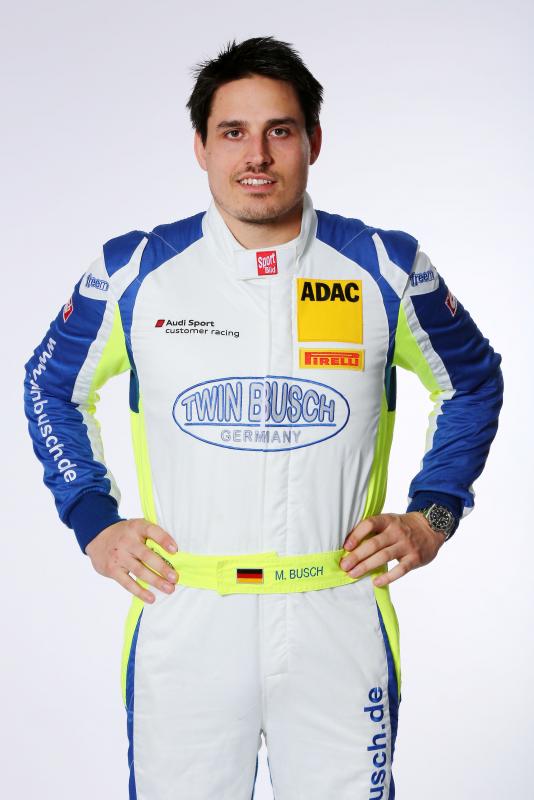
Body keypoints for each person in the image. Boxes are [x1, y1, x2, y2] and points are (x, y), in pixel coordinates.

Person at [23, 35, 503, 800]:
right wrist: (92, 518)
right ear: (200, 146)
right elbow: (50, 385)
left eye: (280, 130)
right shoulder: (134, 271)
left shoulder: (385, 266)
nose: (257, 155)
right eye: (233, 132)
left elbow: (473, 381)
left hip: (336, 612)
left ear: (314, 140)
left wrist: (434, 513)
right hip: (188, 613)